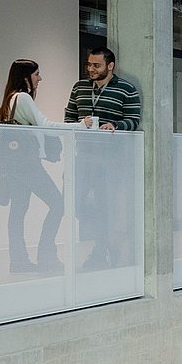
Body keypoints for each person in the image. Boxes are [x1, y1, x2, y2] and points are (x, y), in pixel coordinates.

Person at [0, 58, 77, 274]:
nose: (40, 78)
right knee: (59, 204)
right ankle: (46, 255)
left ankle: (18, 261)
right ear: (25, 77)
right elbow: (46, 126)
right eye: (37, 74)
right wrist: (80, 126)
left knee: (18, 212)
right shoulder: (22, 97)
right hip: (27, 166)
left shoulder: (9, 100)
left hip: (13, 167)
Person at [63, 46, 142, 271]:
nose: (91, 69)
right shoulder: (79, 88)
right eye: (89, 65)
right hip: (83, 156)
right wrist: (80, 124)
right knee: (74, 204)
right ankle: (108, 246)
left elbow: (134, 119)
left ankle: (100, 252)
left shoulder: (126, 89)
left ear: (110, 66)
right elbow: (68, 118)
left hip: (111, 159)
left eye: (96, 65)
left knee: (104, 206)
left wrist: (114, 125)